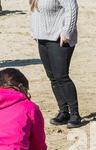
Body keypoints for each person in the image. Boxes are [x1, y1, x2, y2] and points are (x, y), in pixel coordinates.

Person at [30, 0, 81, 128]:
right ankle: (63, 112)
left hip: (60, 38)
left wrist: (67, 31)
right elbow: (35, 12)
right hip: (42, 38)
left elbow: (72, 8)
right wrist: (34, 32)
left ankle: (75, 114)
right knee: (52, 77)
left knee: (61, 76)